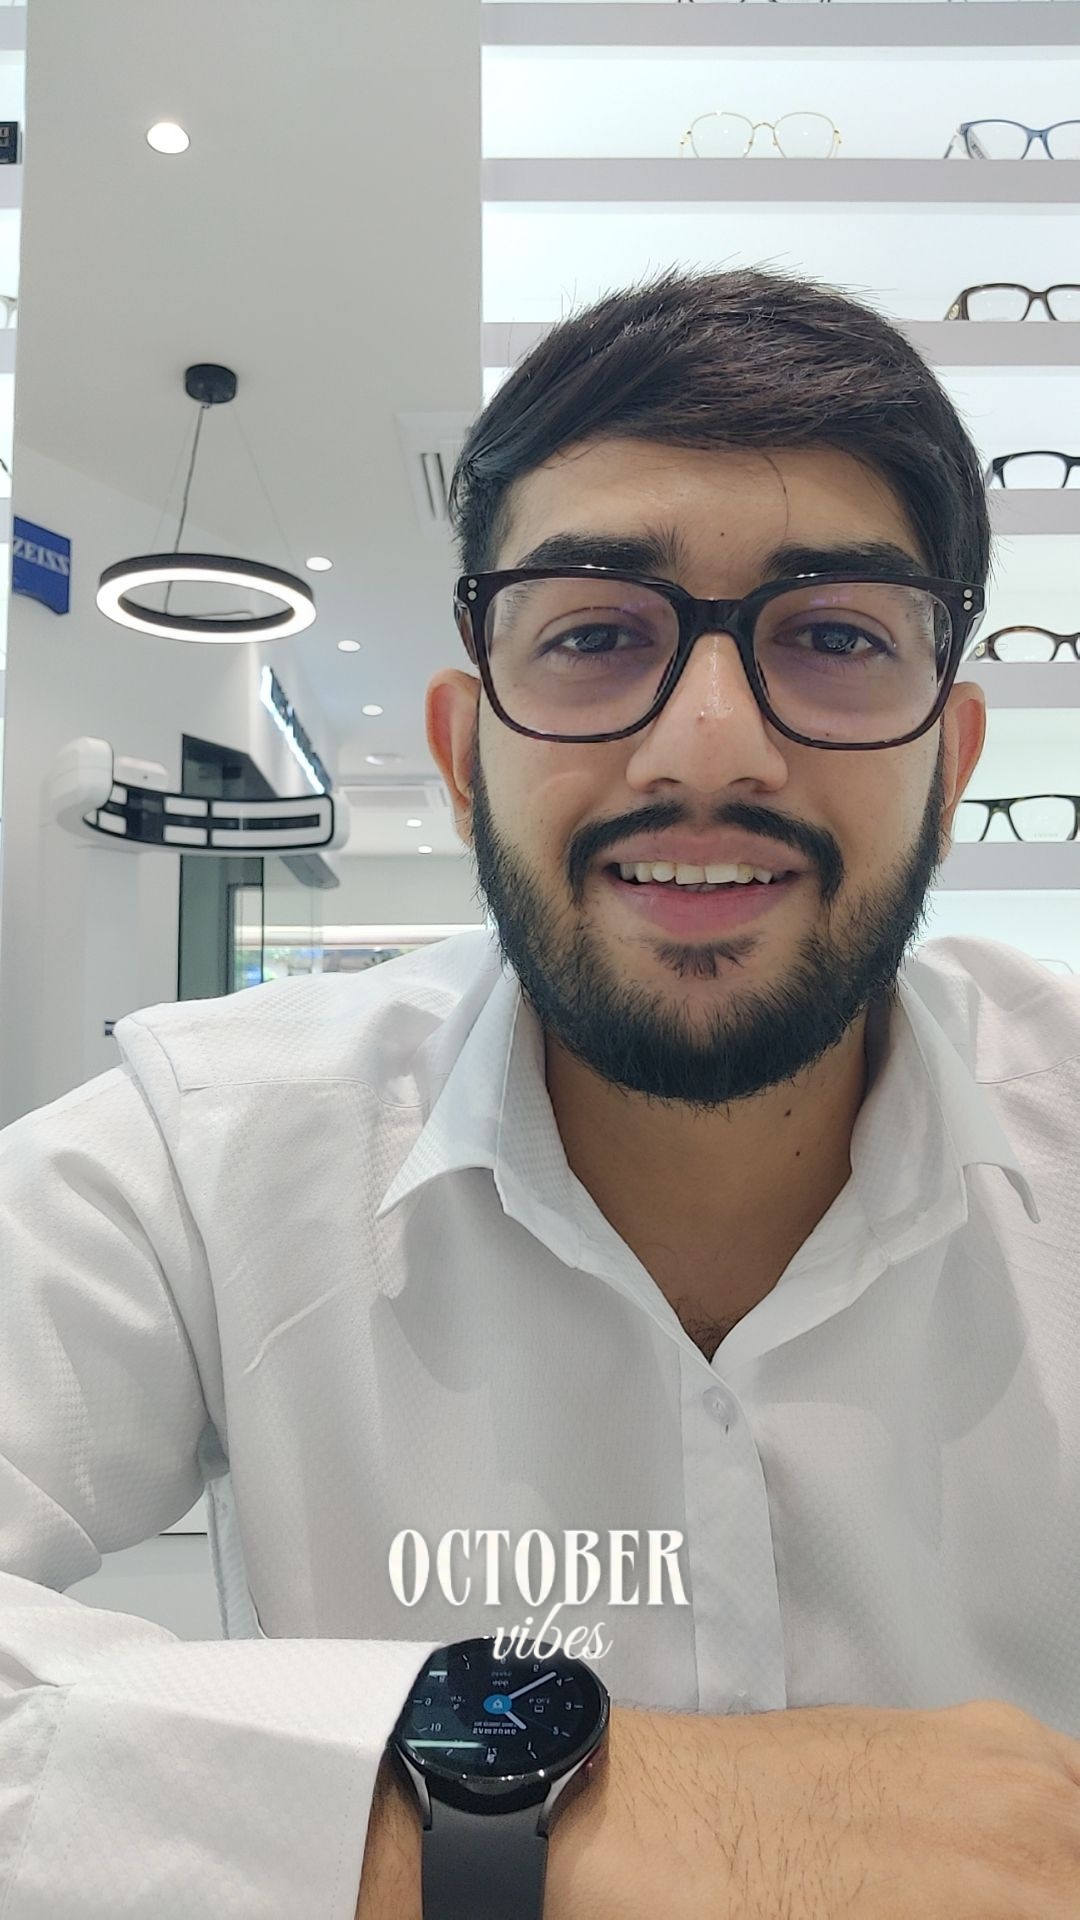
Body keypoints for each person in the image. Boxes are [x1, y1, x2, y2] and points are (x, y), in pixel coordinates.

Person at [2, 264, 1077, 1920]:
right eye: (593, 635)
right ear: (462, 753)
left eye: (834, 637)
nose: (708, 746)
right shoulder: (207, 1153)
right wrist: (550, 1823)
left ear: (952, 760)